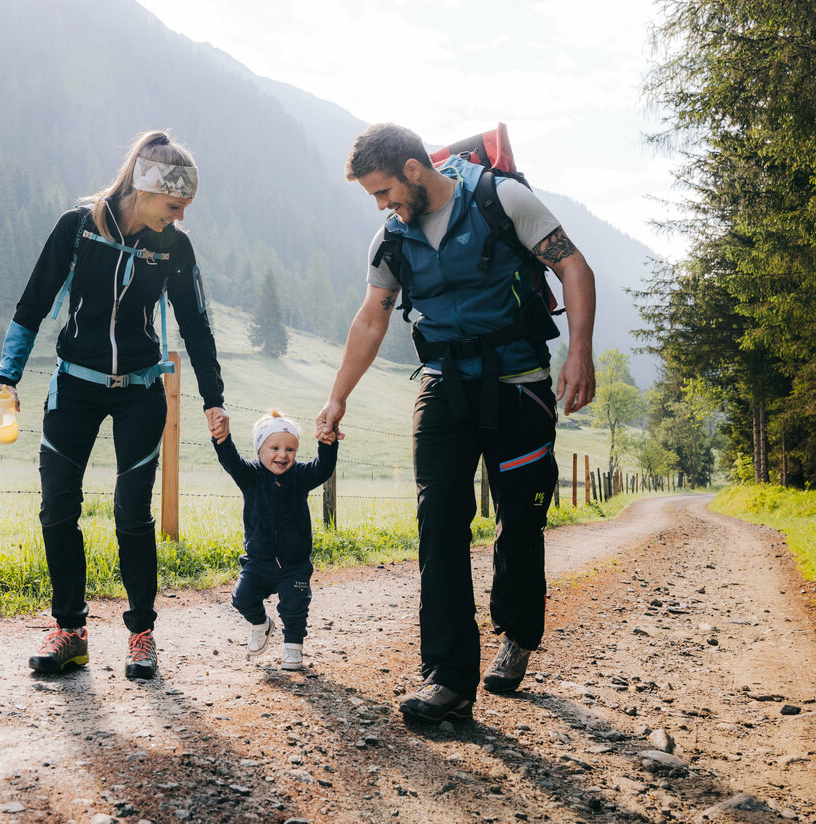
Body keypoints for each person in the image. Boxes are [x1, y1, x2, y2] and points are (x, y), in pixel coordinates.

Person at [316, 122, 596, 723]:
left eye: (384, 192)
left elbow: (574, 266)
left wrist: (579, 352)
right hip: (442, 387)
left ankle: (517, 634)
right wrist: (337, 398)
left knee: (521, 519)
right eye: (374, 198)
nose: (382, 206)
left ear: (414, 171)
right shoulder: (391, 239)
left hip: (519, 387)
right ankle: (447, 677)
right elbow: (371, 319)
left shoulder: (500, 199)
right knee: (438, 522)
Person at [0, 130, 229, 680]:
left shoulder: (174, 247)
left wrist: (214, 399)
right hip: (74, 386)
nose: (181, 217)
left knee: (131, 514)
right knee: (57, 508)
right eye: (175, 205)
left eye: (186, 207)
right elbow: (32, 304)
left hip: (142, 391)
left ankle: (141, 635)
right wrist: (7, 378)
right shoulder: (75, 229)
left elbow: (197, 326)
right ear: (144, 188)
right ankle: (70, 631)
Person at [213, 409, 338, 671]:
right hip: (258, 561)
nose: (283, 455)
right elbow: (231, 461)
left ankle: (293, 649)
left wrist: (328, 444)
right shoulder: (250, 476)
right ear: (260, 450)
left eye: (290, 449)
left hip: (294, 563)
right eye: (275, 448)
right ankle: (261, 625)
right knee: (242, 598)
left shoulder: (301, 476)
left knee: (295, 606)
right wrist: (222, 438)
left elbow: (324, 468)